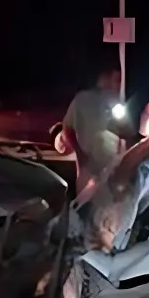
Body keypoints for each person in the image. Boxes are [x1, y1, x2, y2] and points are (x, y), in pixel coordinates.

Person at [60, 64, 126, 200]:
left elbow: (127, 135)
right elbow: (68, 128)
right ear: (104, 78)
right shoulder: (82, 100)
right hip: (87, 169)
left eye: (121, 80)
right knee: (85, 209)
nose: (119, 84)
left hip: (112, 170)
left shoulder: (121, 103)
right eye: (116, 79)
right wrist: (79, 154)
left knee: (107, 213)